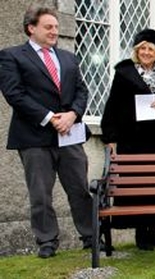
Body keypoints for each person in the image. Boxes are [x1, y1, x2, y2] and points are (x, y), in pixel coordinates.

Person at [0, 6, 94, 258]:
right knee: (40, 194)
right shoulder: (11, 56)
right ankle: (47, 242)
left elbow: (82, 91)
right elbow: (14, 94)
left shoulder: (68, 57)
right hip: (34, 137)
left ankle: (91, 237)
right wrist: (50, 118)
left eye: (56, 27)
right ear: (31, 28)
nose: (54, 31)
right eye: (48, 27)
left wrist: (73, 114)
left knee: (80, 190)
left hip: (69, 135)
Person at [100, 29, 155, 251]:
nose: (146, 52)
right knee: (139, 187)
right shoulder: (124, 73)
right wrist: (110, 138)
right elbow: (112, 107)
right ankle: (141, 234)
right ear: (137, 51)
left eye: (150, 49)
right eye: (142, 48)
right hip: (133, 140)